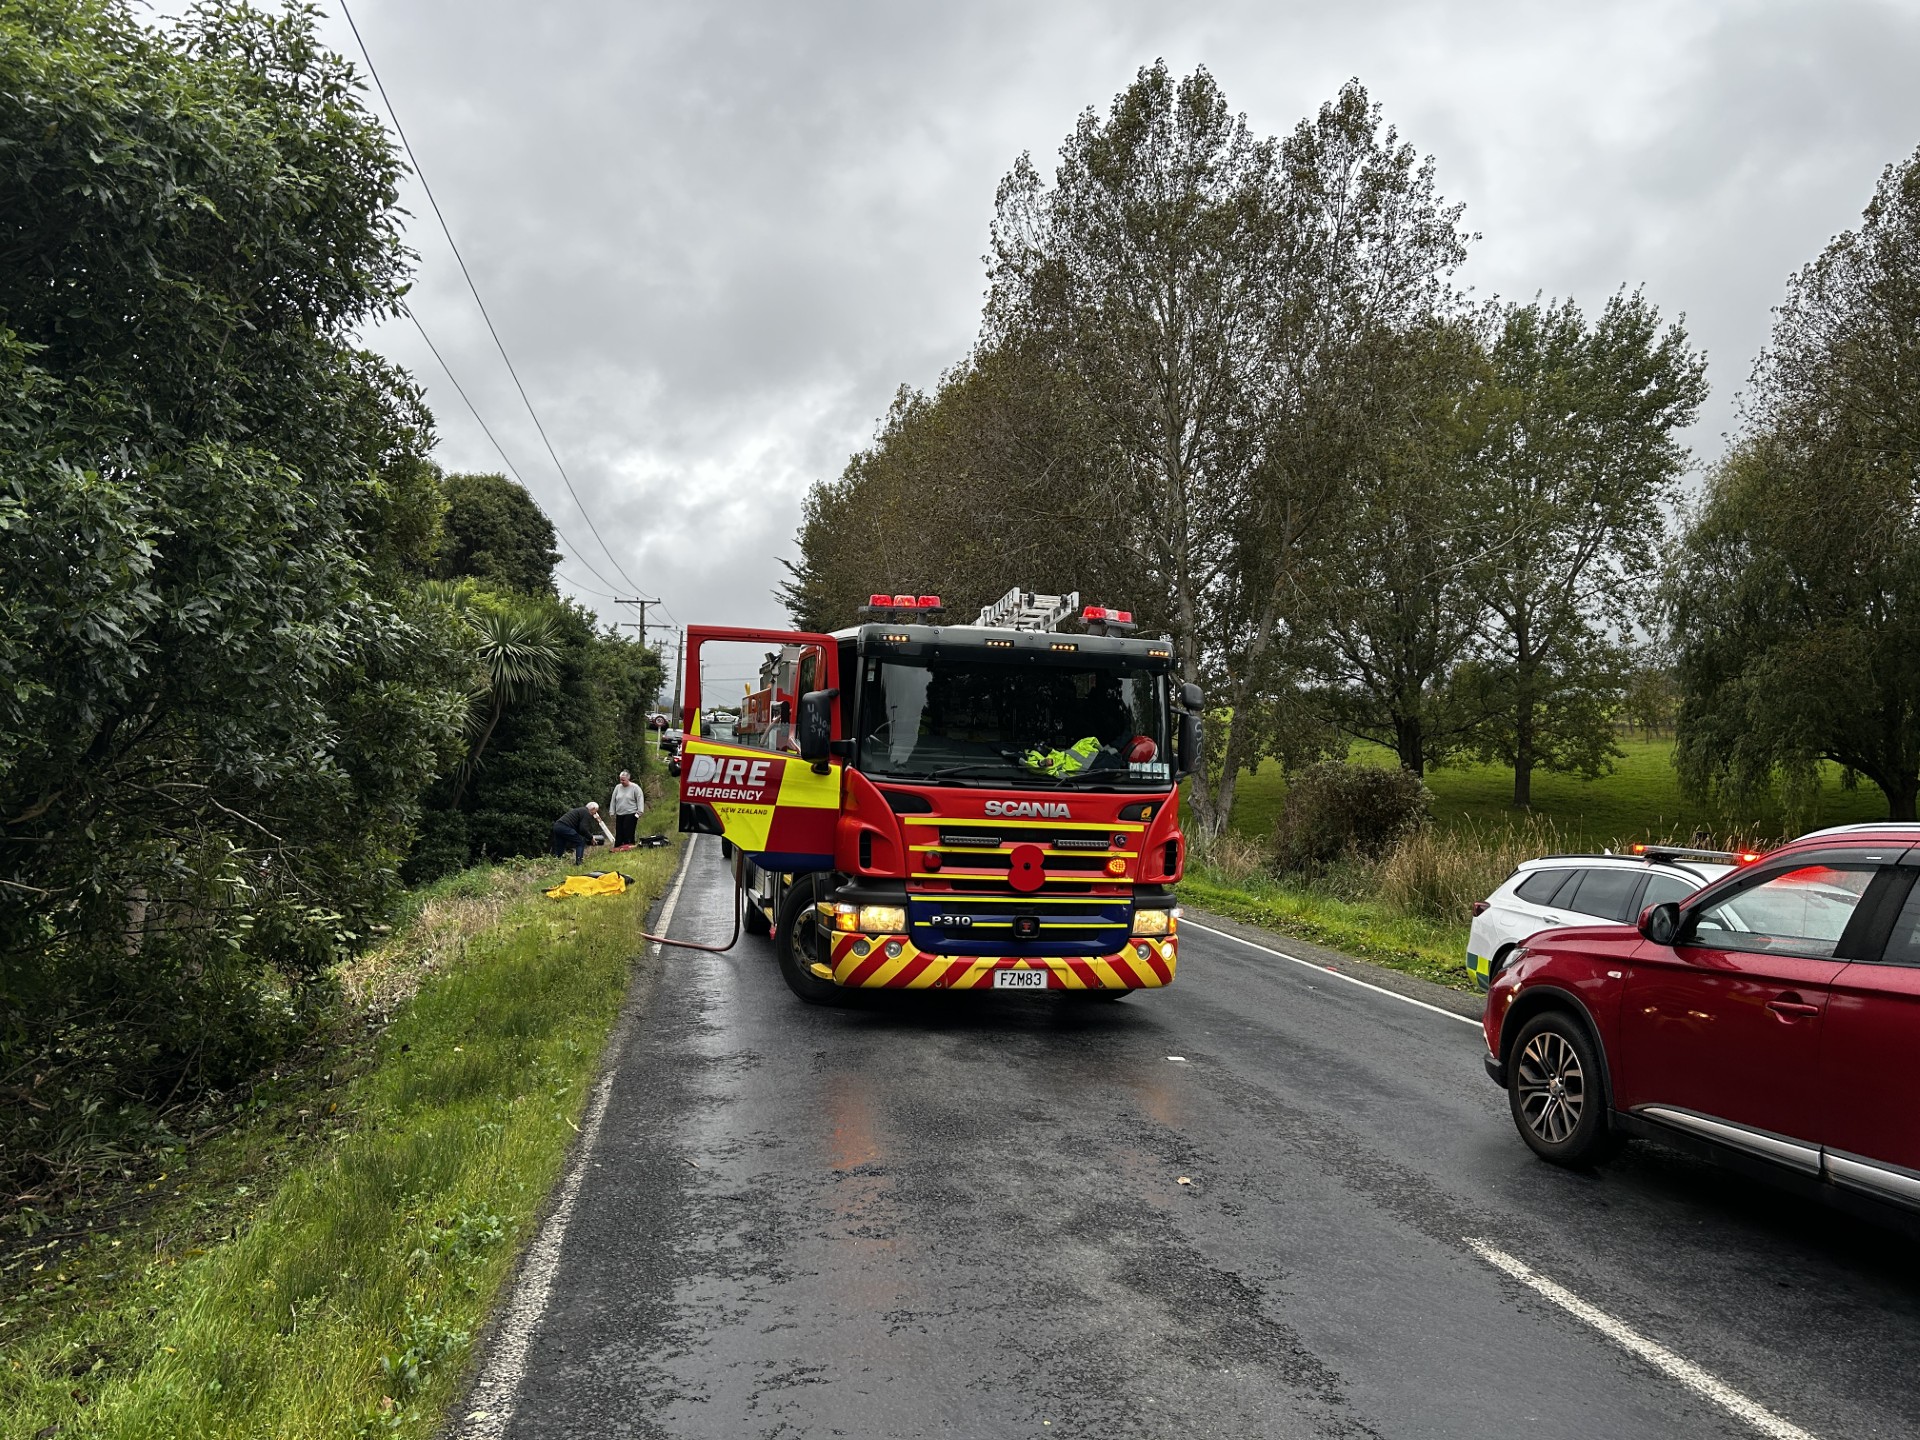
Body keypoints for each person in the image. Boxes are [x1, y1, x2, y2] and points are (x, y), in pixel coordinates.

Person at [609, 770, 645, 847]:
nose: (622, 782)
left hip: (631, 813)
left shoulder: (635, 788)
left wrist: (639, 812)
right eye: (620, 780)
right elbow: (613, 799)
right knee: (619, 831)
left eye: (623, 780)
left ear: (628, 779)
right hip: (620, 813)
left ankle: (628, 845)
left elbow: (640, 799)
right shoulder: (617, 787)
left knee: (628, 831)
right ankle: (618, 846)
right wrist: (612, 811)